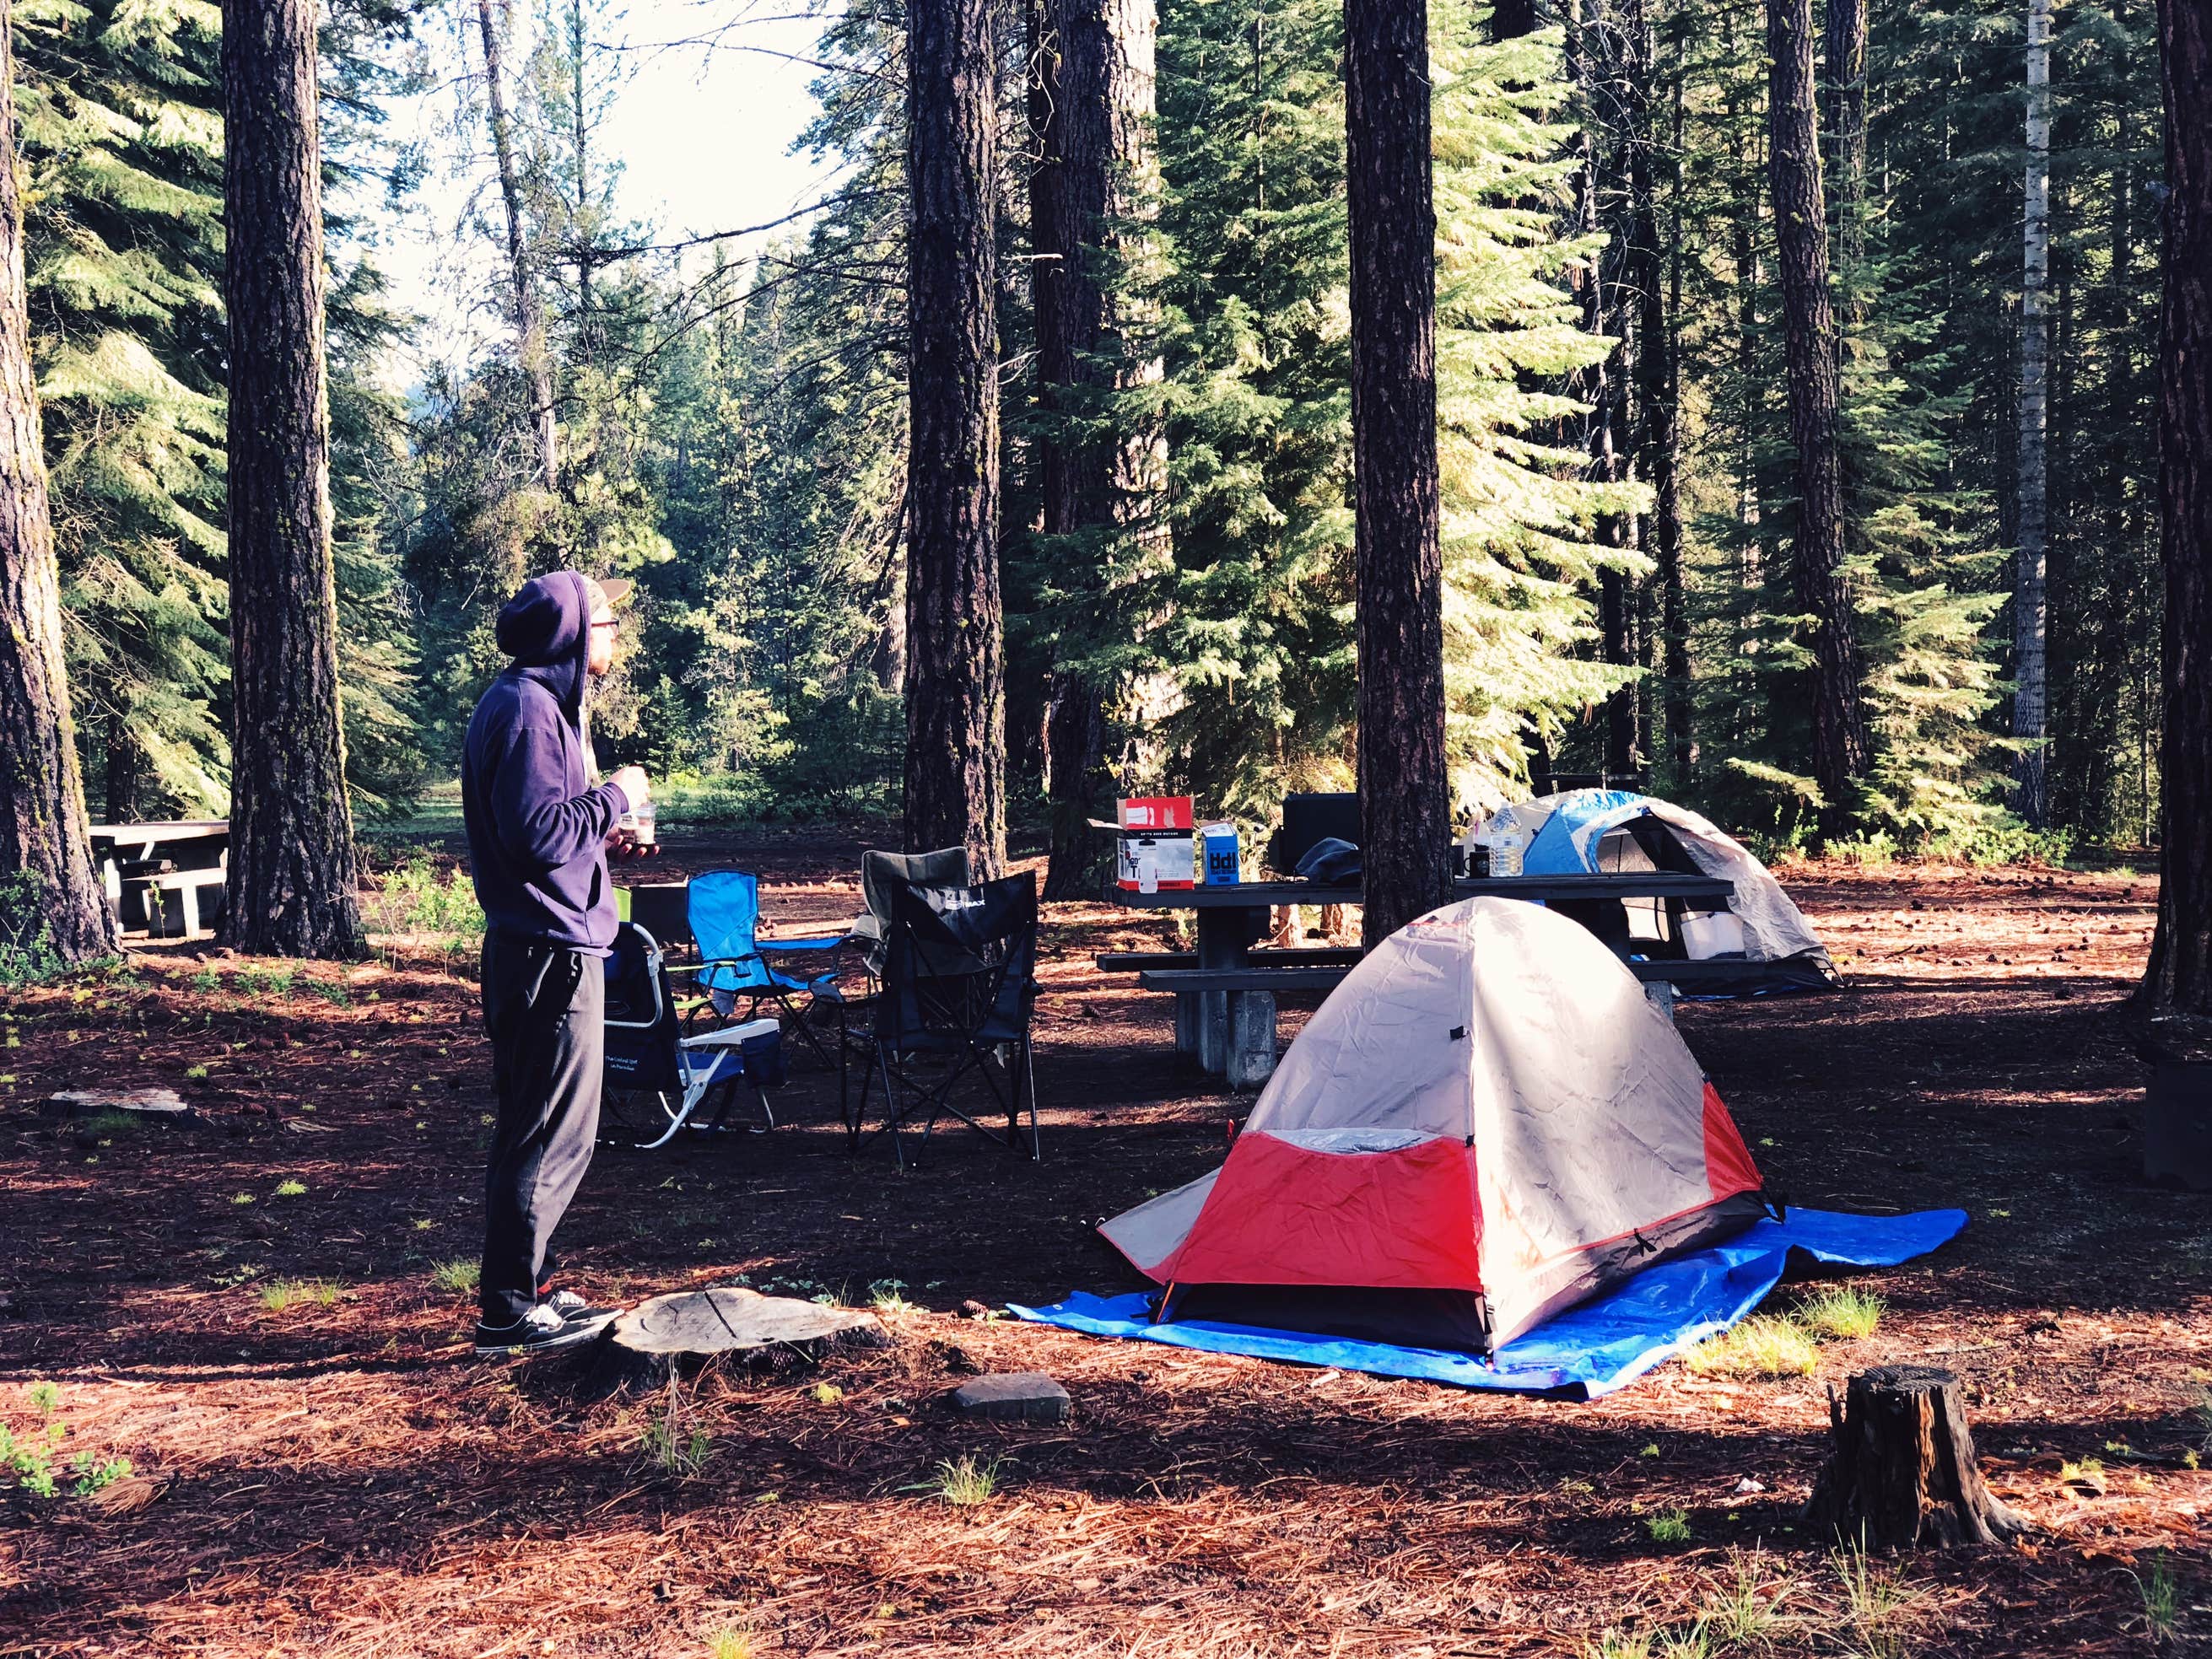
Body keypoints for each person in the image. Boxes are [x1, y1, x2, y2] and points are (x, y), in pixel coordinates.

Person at [461, 570, 650, 1356]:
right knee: (549, 1132)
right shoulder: (532, 714)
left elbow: (537, 838)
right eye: (604, 620)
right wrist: (616, 795)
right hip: (549, 955)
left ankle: (531, 1283)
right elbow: (538, 834)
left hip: (537, 944)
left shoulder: (530, 705)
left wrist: (603, 838)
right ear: (571, 630)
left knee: (541, 1125)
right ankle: (507, 1307)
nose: (614, 634)